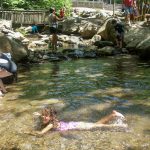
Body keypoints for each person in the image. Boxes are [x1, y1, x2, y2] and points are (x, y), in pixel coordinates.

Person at [33, 106, 127, 135]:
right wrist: (39, 115)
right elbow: (44, 117)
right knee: (96, 124)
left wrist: (27, 132)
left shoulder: (50, 125)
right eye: (43, 116)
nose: (43, 117)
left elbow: (41, 133)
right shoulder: (53, 120)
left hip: (77, 126)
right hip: (74, 124)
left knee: (98, 126)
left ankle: (119, 126)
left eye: (46, 116)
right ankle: (113, 115)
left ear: (52, 117)